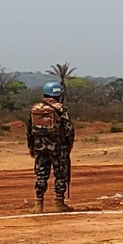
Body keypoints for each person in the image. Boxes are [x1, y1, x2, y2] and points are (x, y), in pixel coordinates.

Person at [28, 81, 75, 210]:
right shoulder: (61, 109)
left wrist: (31, 147)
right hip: (58, 148)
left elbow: (29, 130)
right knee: (60, 174)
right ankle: (59, 203)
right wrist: (69, 145)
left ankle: (38, 205)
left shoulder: (34, 109)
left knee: (41, 175)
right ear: (58, 95)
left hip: (39, 148)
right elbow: (69, 129)